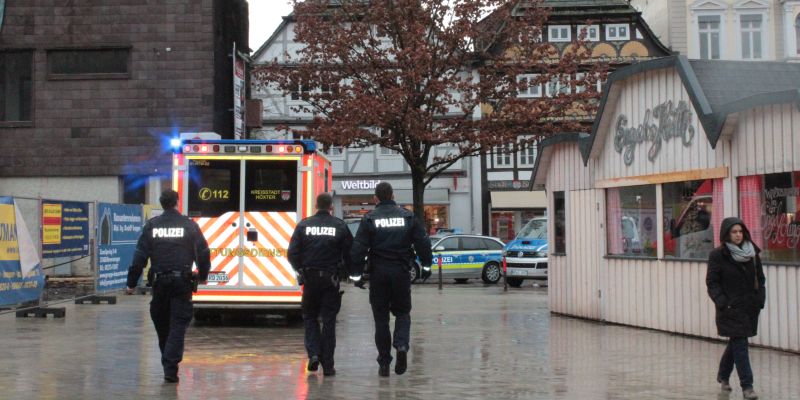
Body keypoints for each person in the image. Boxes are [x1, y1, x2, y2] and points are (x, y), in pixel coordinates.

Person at [125, 189, 211, 383]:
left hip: (159, 284)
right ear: (177, 202)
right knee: (178, 326)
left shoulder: (151, 226)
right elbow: (204, 253)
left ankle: (168, 363)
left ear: (162, 203)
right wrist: (203, 275)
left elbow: (139, 257)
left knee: (163, 326)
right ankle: (170, 367)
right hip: (182, 284)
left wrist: (131, 283)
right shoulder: (189, 226)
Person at [350, 182, 433, 377]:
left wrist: (356, 275)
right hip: (401, 272)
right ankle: (402, 345)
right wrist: (427, 266)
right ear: (393, 195)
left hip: (379, 274)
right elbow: (423, 243)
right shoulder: (408, 216)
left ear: (375, 198)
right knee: (403, 313)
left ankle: (384, 364)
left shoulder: (369, 219)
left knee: (381, 320)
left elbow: (358, 250)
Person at [287, 193, 353, 376]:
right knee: (329, 322)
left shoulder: (304, 225)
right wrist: (349, 273)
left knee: (310, 318)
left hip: (310, 279)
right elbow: (350, 252)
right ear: (331, 206)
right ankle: (329, 366)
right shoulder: (339, 225)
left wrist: (300, 269)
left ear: (316, 205)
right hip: (331, 281)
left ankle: (314, 354)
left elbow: (292, 253)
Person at [706, 217, 766, 400]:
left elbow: (760, 279)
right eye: (734, 232)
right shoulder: (718, 255)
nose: (738, 235)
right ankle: (747, 386)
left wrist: (759, 300)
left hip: (749, 307)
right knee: (741, 345)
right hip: (731, 308)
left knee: (736, 342)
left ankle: (723, 375)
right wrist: (723, 302)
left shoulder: (752, 253)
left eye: (740, 231)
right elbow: (712, 282)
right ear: (726, 234)